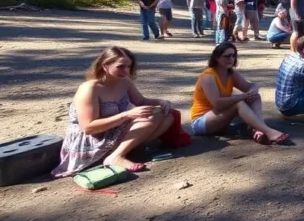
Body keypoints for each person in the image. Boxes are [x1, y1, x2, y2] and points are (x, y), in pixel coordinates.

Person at [52, 46, 175, 175]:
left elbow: (141, 102)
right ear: (105, 65)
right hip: (92, 138)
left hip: (112, 130)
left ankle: (125, 151)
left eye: (129, 67)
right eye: (121, 67)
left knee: (167, 115)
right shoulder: (90, 88)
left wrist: (161, 102)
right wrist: (127, 115)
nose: (126, 71)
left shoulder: (124, 82)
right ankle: (116, 156)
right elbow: (89, 128)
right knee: (150, 118)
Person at [189, 42, 291, 145]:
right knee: (238, 103)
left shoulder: (231, 73)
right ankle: (268, 131)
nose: (231, 59)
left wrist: (253, 90)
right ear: (217, 58)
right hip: (201, 121)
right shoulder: (208, 76)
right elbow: (217, 104)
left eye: (233, 55)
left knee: (255, 97)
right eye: (227, 56)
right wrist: (242, 96)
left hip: (220, 116)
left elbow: (250, 86)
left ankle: (259, 129)